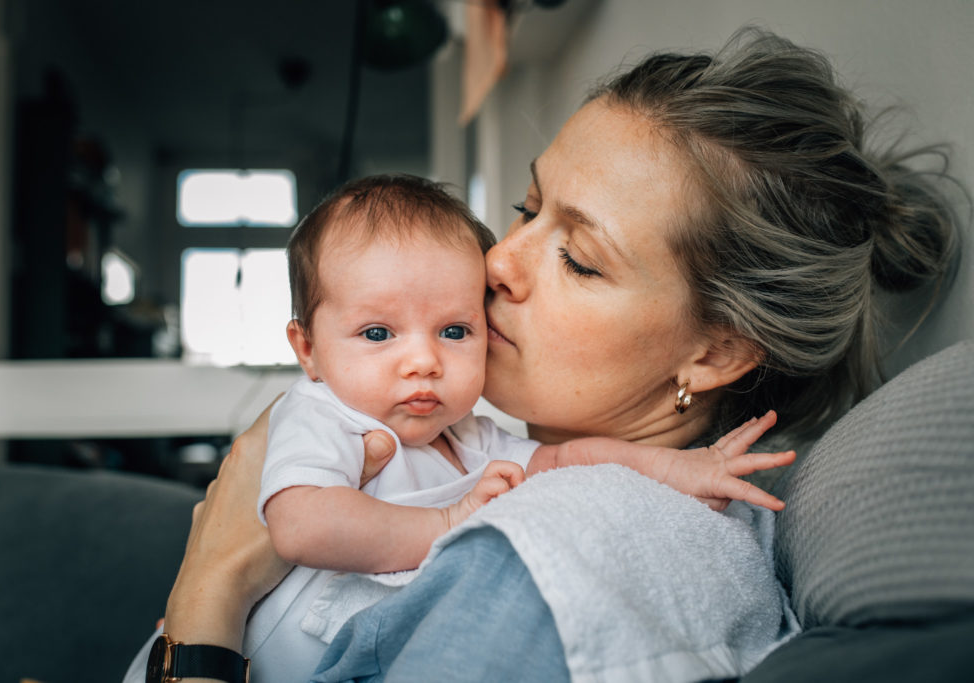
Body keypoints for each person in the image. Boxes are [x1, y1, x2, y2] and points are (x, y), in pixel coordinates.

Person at [143, 27, 961, 683]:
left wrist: (207, 598)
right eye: (525, 209)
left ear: (716, 352)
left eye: (577, 257)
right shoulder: (532, 469)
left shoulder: (546, 561)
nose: (497, 261)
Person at [127, 173, 794, 682]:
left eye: (453, 329)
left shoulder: (474, 436)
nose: (422, 359)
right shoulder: (320, 413)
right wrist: (443, 528)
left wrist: (680, 469)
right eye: (378, 332)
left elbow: (566, 463)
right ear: (308, 350)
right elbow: (301, 524)